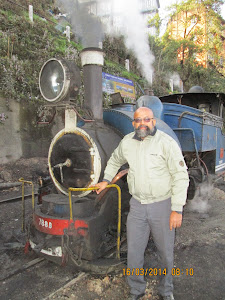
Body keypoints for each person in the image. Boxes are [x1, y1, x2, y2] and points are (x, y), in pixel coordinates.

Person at [93, 107, 189, 300]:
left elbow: (181, 176)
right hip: (137, 206)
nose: (142, 123)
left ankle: (166, 290)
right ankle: (136, 290)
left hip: (162, 206)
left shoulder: (166, 143)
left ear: (153, 121)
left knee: (165, 253)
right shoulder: (127, 142)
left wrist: (176, 209)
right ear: (133, 123)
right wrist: (106, 179)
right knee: (134, 252)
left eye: (146, 119)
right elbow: (115, 159)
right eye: (138, 120)